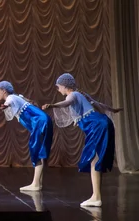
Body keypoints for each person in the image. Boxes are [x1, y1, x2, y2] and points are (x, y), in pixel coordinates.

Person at [42, 73, 121, 207]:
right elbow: (97, 105)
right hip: (101, 123)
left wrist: (53, 105)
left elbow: (67, 103)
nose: (58, 89)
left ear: (64, 86)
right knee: (95, 159)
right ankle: (96, 196)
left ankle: (96, 197)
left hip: (97, 126)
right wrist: (112, 109)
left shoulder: (72, 95)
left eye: (58, 86)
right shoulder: (80, 95)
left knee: (93, 159)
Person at [0, 81, 53, 191]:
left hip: (39, 122)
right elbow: (26, 100)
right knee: (40, 150)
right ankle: (38, 183)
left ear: (4, 91)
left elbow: (10, 101)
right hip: (44, 120)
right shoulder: (18, 97)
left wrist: (5, 106)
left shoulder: (11, 98)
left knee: (35, 149)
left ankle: (36, 184)